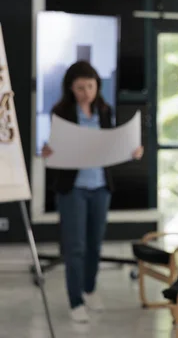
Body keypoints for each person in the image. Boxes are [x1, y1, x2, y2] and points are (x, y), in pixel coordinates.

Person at [41, 60, 143, 323]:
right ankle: (75, 301)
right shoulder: (61, 112)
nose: (86, 92)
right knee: (75, 248)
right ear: (70, 88)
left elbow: (113, 144)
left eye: (90, 86)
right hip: (73, 188)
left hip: (101, 187)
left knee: (94, 246)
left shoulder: (105, 111)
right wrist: (48, 151)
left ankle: (89, 290)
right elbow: (54, 148)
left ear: (98, 85)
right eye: (80, 87)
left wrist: (133, 150)